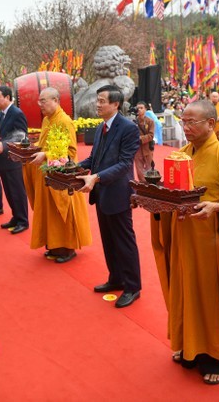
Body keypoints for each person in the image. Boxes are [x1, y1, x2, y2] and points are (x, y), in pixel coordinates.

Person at [163, 100, 219, 385]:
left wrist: (218, 208)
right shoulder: (180, 155)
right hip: (184, 239)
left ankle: (216, 356)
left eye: (192, 122)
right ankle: (190, 348)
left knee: (211, 300)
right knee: (186, 292)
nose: (185, 127)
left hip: (213, 247)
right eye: (183, 121)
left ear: (211, 124)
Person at [78, 85, 142, 309]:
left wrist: (96, 177)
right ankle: (116, 278)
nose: (98, 104)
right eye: (98, 100)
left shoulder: (128, 128)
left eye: (102, 101)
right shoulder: (100, 128)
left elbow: (125, 164)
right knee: (108, 239)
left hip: (118, 192)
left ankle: (133, 287)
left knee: (124, 241)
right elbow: (94, 158)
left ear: (116, 104)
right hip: (101, 190)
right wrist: (72, 167)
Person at [27, 88, 92, 262]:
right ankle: (55, 246)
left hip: (61, 175)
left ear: (56, 100)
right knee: (50, 212)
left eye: (43, 101)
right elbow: (44, 144)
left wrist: (46, 155)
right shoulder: (47, 120)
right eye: (39, 101)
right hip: (46, 173)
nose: (39, 104)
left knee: (62, 210)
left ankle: (68, 248)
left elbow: (70, 151)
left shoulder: (65, 121)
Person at [0, 86, 29, 234]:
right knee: (8, 190)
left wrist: (4, 145)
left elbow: (21, 136)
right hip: (2, 158)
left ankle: (23, 220)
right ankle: (15, 216)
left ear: (7, 97)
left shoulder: (17, 113)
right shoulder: (0, 115)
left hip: (13, 159)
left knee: (17, 191)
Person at [133, 101, 155, 182]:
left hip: (147, 148)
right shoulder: (133, 122)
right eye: (137, 108)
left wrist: (140, 138)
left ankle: (150, 187)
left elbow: (151, 135)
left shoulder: (150, 121)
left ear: (146, 109)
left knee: (149, 169)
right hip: (137, 149)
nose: (139, 110)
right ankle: (142, 187)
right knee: (139, 171)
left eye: (141, 108)